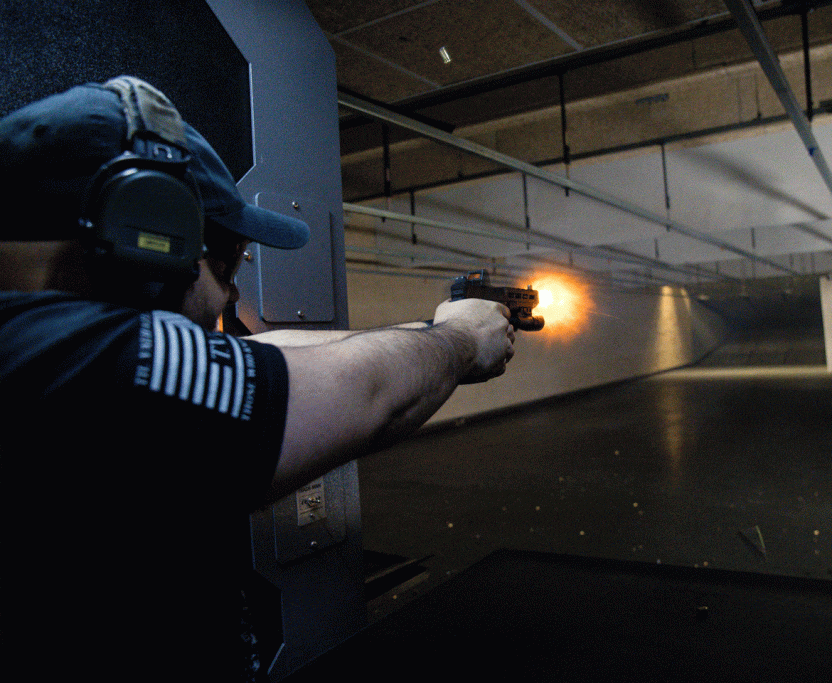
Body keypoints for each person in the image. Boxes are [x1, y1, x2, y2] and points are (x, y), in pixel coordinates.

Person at [0, 77, 514, 679]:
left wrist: (433, 325)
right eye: (225, 264)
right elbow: (361, 396)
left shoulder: (40, 347)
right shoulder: (48, 357)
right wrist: (459, 342)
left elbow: (266, 355)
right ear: (146, 234)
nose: (229, 294)